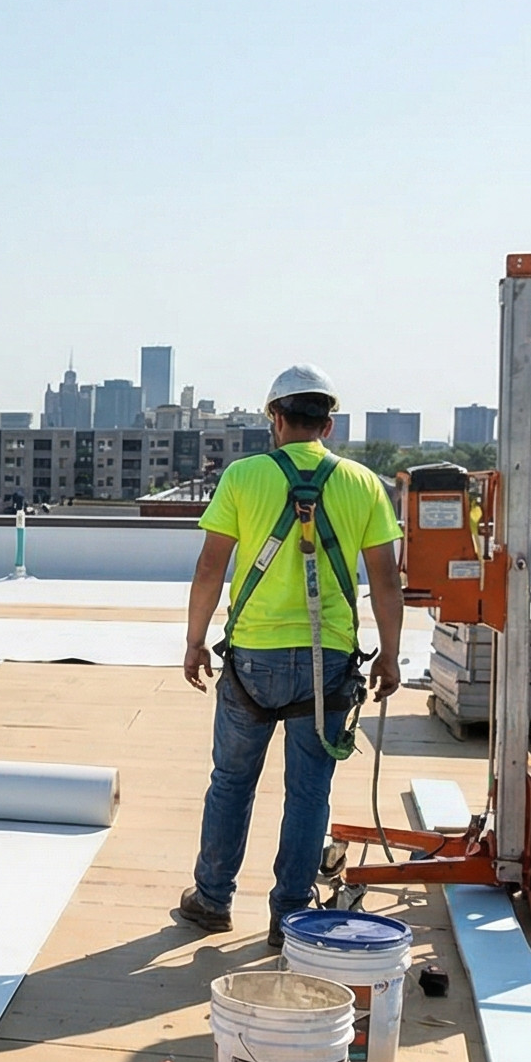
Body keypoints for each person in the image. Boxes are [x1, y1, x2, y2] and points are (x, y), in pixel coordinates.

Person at [174, 366, 404, 934]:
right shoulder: (362, 483)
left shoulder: (243, 477)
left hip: (253, 659)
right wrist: (392, 656)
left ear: (274, 420)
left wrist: (195, 641)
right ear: (328, 424)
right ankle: (291, 914)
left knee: (231, 781)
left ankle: (212, 898)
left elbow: (211, 566)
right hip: (328, 663)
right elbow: (387, 581)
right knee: (309, 793)